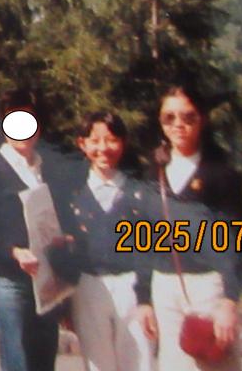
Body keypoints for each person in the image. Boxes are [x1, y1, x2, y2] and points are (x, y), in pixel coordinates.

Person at [0, 100, 72, 371]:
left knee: (44, 361)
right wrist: (13, 252)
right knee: (19, 362)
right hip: (9, 283)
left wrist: (65, 240)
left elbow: (61, 218)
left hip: (46, 281)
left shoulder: (47, 169)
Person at [148, 85, 242, 371]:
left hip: (208, 284)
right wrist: (143, 300)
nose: (178, 124)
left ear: (202, 119)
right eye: (169, 117)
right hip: (164, 284)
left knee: (215, 364)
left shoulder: (222, 174)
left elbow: (235, 242)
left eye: (188, 116)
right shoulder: (152, 173)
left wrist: (230, 301)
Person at [55, 111, 156, 371]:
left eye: (111, 140)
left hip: (131, 286)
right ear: (82, 144)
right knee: (98, 364)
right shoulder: (72, 192)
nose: (103, 148)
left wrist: (146, 297)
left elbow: (149, 248)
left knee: (139, 362)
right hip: (88, 286)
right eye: (95, 140)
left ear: (123, 143)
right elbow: (61, 248)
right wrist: (64, 300)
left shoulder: (140, 191)